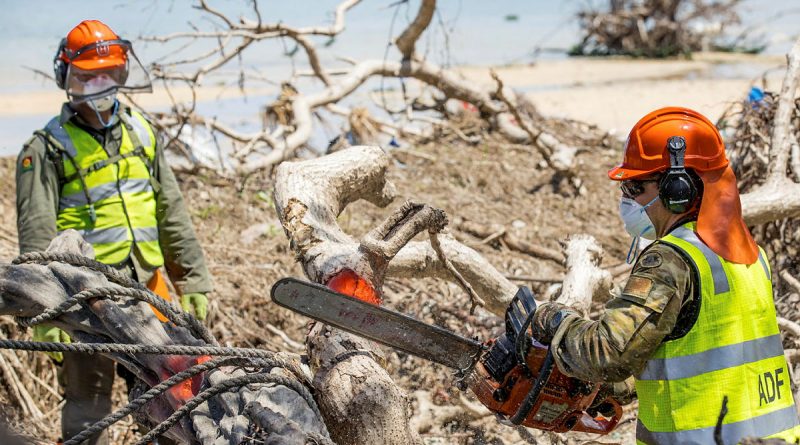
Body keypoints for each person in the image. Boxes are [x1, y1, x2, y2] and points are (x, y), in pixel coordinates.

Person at [529, 107, 800, 444]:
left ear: (677, 187)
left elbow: (605, 354)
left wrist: (554, 321)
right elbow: (712, 356)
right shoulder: (751, 254)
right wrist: (613, 387)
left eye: (633, 187)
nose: (625, 199)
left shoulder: (672, 259)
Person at [15, 20, 213, 445]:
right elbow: (36, 231)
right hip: (85, 294)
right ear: (67, 77)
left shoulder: (142, 131)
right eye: (88, 76)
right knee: (89, 401)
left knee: (173, 390)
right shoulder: (46, 148)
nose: (100, 84)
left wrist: (193, 278)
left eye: (110, 74)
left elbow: (170, 211)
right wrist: (41, 313)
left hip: (149, 284)